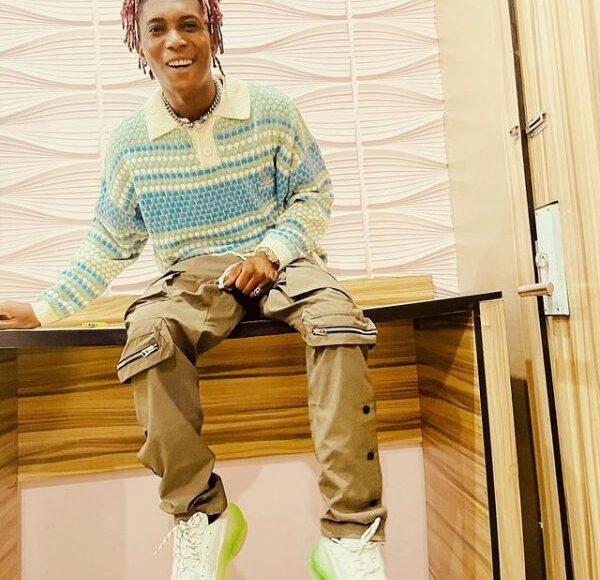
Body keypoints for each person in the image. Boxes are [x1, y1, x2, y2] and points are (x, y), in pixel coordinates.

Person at [0, 0, 389, 578]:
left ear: (212, 32)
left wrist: (271, 251)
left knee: (338, 323)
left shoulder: (271, 110)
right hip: (190, 275)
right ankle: (203, 518)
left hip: (282, 261)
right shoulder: (131, 142)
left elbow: (314, 197)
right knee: (147, 332)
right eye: (157, 28)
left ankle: (350, 536)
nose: (175, 40)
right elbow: (108, 243)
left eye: (190, 25)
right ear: (139, 42)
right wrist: (43, 308)